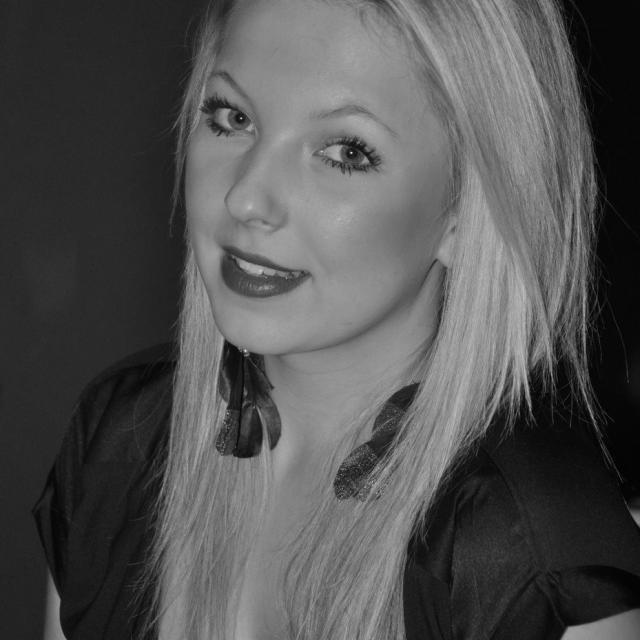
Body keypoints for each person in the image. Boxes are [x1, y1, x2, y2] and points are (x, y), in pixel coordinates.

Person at [35, 0, 640, 638]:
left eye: (346, 151)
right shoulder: (120, 444)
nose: (246, 197)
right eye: (233, 117)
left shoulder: (530, 560)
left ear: (469, 212)